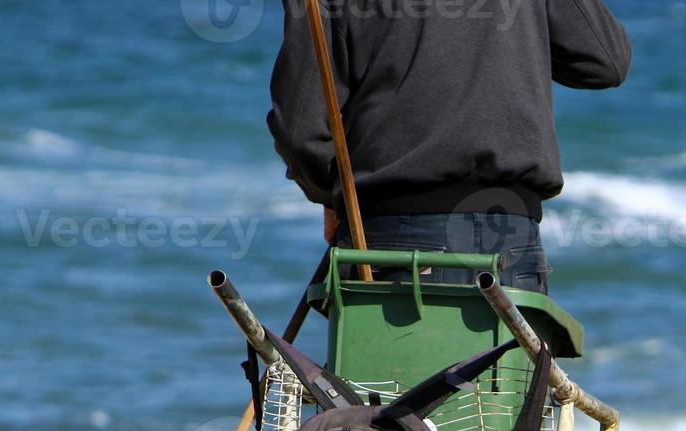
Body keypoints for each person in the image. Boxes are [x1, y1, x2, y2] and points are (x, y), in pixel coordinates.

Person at [268, 0, 631, 294]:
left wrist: (332, 196)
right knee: (505, 384)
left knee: (387, 384)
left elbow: (301, 132)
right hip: (512, 232)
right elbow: (605, 59)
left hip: (392, 232)